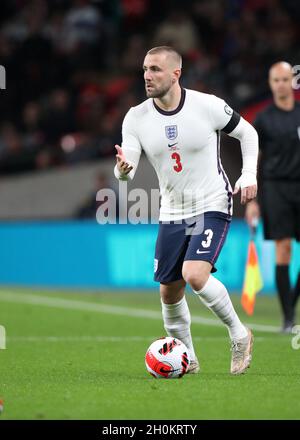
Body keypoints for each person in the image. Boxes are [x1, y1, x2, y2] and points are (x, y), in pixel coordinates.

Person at [114, 46, 258, 375]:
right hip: (172, 211)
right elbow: (128, 168)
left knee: (194, 274)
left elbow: (247, 132)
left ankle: (239, 334)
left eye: (155, 70)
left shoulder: (206, 106)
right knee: (168, 290)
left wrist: (247, 174)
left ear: (176, 73)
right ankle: (188, 359)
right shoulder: (136, 117)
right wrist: (122, 169)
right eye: (145, 70)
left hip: (212, 202)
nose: (147, 76)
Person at [245, 61, 300, 333]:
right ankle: (288, 318)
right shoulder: (264, 119)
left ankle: (291, 302)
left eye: (285, 79)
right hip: (276, 188)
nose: (280, 83)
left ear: (292, 81)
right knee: (284, 248)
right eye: (275, 79)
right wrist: (254, 199)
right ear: (270, 83)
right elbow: (256, 158)